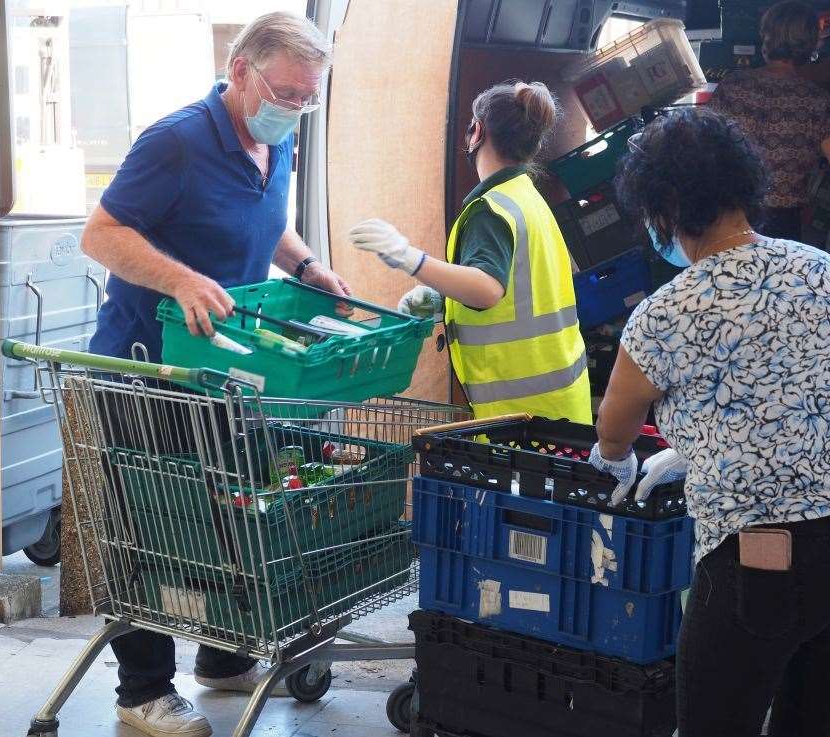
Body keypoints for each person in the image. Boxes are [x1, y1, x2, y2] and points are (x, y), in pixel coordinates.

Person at [587, 106, 830, 737]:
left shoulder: (663, 314)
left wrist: (621, 463)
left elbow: (613, 430)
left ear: (665, 206)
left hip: (767, 560)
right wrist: (706, 440)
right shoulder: (822, 270)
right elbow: (802, 385)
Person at [81, 12, 348, 737]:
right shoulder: (176, 142)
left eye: (306, 98)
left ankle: (223, 658)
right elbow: (99, 232)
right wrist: (180, 280)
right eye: (285, 93)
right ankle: (141, 690)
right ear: (239, 71)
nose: (293, 109)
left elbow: (264, 217)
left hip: (226, 373)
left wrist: (304, 263)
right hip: (148, 368)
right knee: (155, 524)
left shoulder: (273, 138)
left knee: (231, 512)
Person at [349, 81, 591, 423]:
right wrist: (444, 297)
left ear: (476, 131)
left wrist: (410, 259)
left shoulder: (489, 210)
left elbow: (488, 288)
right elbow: (524, 287)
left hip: (521, 420)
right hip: (562, 405)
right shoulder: (526, 197)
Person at [709, 0, 830, 259]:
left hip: (728, 222)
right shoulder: (818, 102)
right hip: (783, 229)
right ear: (811, 45)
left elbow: (701, 154)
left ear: (766, 37)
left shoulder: (732, 88)